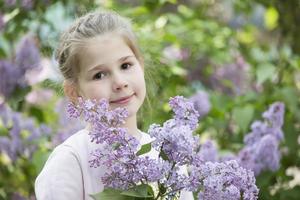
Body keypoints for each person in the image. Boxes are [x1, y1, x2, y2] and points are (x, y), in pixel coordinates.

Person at [35, 10, 194, 200]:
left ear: (140, 65)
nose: (120, 82)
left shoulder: (169, 158)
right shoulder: (71, 161)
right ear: (74, 92)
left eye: (126, 65)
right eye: (99, 75)